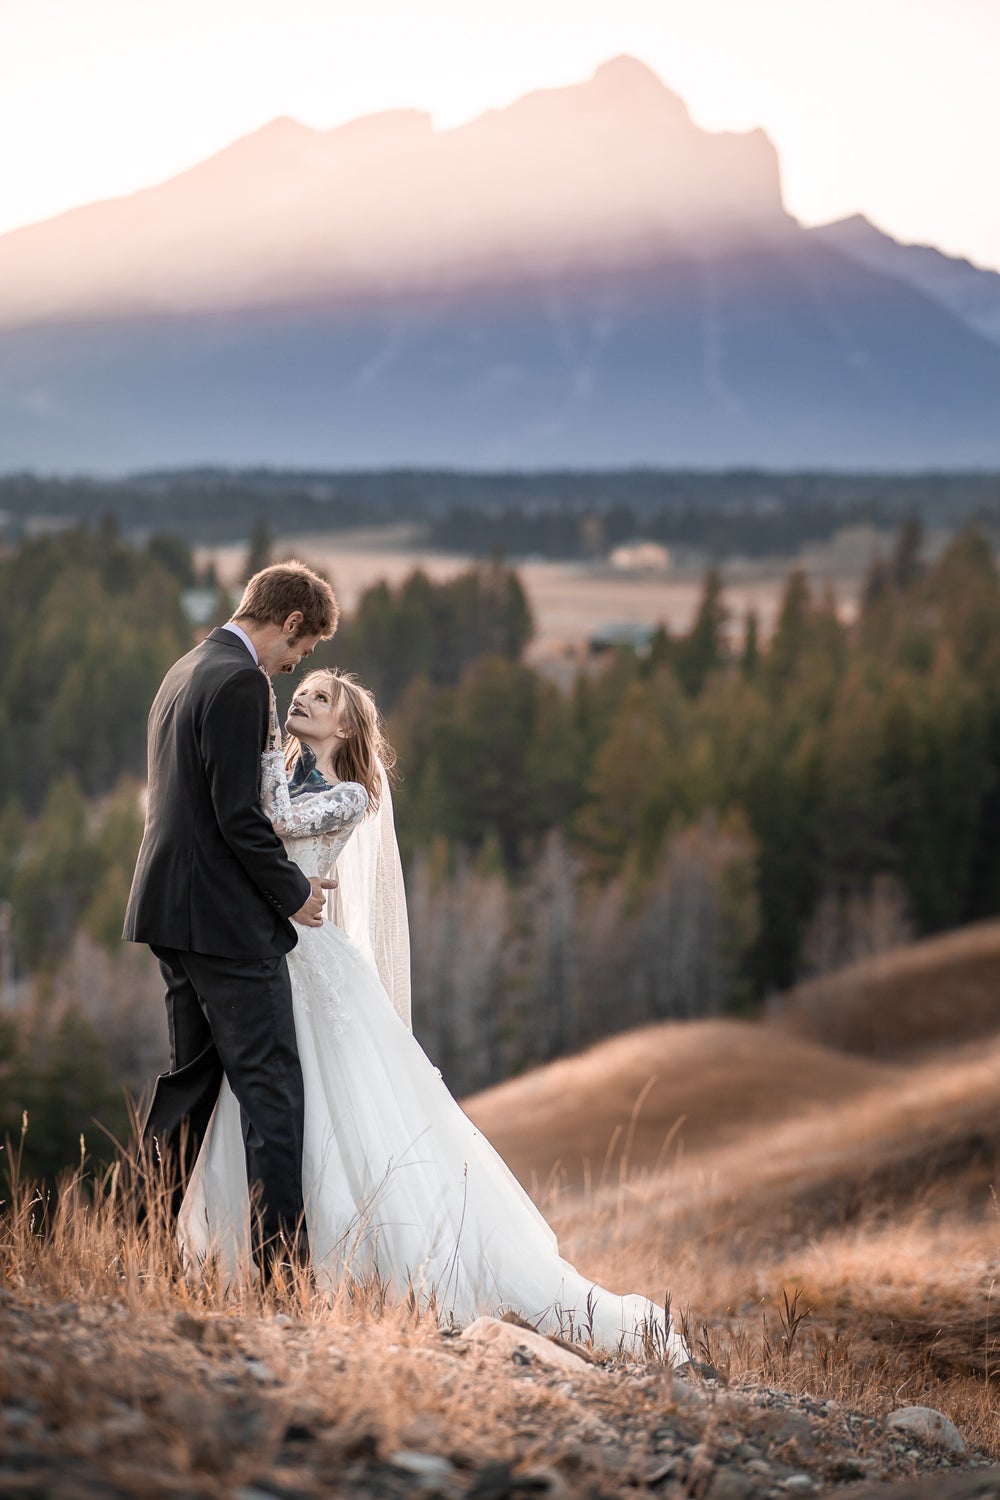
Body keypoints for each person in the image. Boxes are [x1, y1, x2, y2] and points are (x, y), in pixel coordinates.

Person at [178, 668, 687, 1360]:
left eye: (320, 698)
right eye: (302, 693)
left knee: (338, 1113)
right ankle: (249, 1265)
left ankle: (350, 1271)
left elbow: (272, 825)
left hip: (313, 963)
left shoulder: (349, 795)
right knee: (265, 1103)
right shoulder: (285, 772)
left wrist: (262, 741)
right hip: (270, 957)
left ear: (348, 727)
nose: (302, 699)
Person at [123, 562, 339, 1281]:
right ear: (291, 623)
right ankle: (284, 1275)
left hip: (169, 909)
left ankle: (135, 1247)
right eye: (298, 654)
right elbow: (237, 815)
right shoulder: (242, 681)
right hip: (222, 922)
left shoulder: (186, 667)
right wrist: (292, 892)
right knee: (273, 1087)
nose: (291, 668)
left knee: (189, 1084)